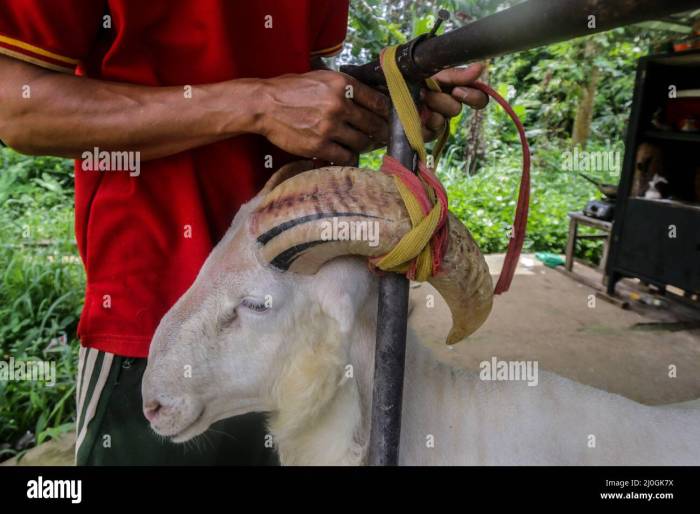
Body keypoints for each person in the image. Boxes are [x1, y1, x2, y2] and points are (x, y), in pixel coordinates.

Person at [0, 0, 488, 465]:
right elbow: (16, 106)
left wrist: (382, 102)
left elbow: (299, 74)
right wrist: (258, 104)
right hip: (159, 311)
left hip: (297, 330)